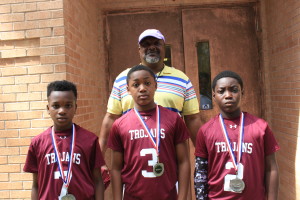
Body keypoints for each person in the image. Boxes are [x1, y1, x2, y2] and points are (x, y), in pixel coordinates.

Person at [100, 29, 201, 157]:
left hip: (171, 159)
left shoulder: (182, 79)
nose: (151, 47)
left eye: (156, 43)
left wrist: (203, 157)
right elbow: (111, 118)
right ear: (139, 50)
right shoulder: (123, 78)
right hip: (132, 161)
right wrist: (99, 158)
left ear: (164, 47)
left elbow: (192, 119)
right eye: (146, 44)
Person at [108, 65, 191, 200]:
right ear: (128, 89)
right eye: (136, 85)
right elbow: (116, 168)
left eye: (147, 83)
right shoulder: (119, 125)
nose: (142, 88)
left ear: (155, 85)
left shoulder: (173, 119)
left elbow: (184, 161)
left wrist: (182, 198)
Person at [194, 70, 280, 200]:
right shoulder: (205, 131)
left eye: (234, 90)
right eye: (221, 91)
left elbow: (271, 168)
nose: (228, 95)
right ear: (213, 95)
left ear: (242, 92)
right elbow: (201, 172)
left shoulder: (261, 127)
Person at [23, 80, 105, 200]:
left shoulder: (90, 140)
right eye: (56, 106)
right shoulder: (37, 142)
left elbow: (98, 181)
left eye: (68, 105)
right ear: (48, 108)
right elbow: (36, 185)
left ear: (75, 107)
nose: (62, 111)